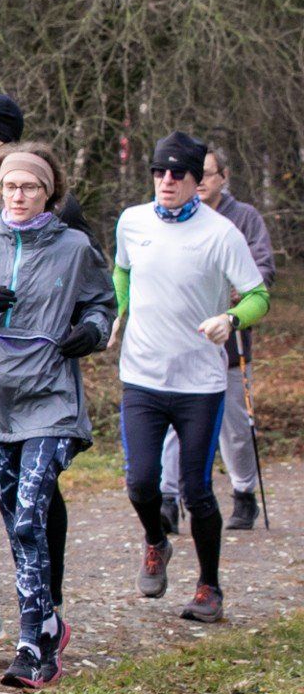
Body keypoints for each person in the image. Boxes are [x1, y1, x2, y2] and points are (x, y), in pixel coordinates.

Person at [0, 143, 115, 687]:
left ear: (48, 191)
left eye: (30, 186)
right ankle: (48, 623)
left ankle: (34, 643)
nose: (19, 195)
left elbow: (101, 303)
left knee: (31, 512)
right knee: (16, 521)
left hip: (49, 396)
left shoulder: (75, 247)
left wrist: (92, 332)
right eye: (10, 186)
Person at [113, 132, 270, 623]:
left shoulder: (221, 233)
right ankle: (157, 542)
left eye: (177, 174)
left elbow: (257, 295)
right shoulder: (132, 222)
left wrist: (232, 320)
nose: (166, 181)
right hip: (141, 376)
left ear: (196, 180)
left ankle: (209, 586)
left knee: (196, 490)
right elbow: (123, 272)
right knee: (141, 484)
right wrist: (121, 309)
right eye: (159, 172)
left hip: (199, 383)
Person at [157, 143, 277, 532]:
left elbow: (263, 272)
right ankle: (168, 499)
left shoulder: (243, 218)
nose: (199, 180)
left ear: (222, 178)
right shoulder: (166, 218)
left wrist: (232, 296)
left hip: (227, 342)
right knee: (173, 425)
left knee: (235, 426)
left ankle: (244, 493)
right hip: (175, 341)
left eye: (208, 173)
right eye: (197, 173)